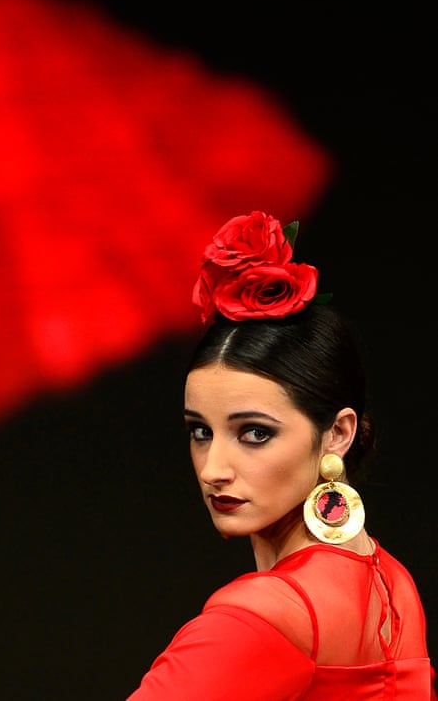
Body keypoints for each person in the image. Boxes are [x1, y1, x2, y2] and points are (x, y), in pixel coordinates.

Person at [128, 210, 437, 700]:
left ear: (337, 433)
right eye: (200, 431)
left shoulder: (260, 616)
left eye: (255, 433)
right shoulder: (394, 587)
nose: (213, 470)